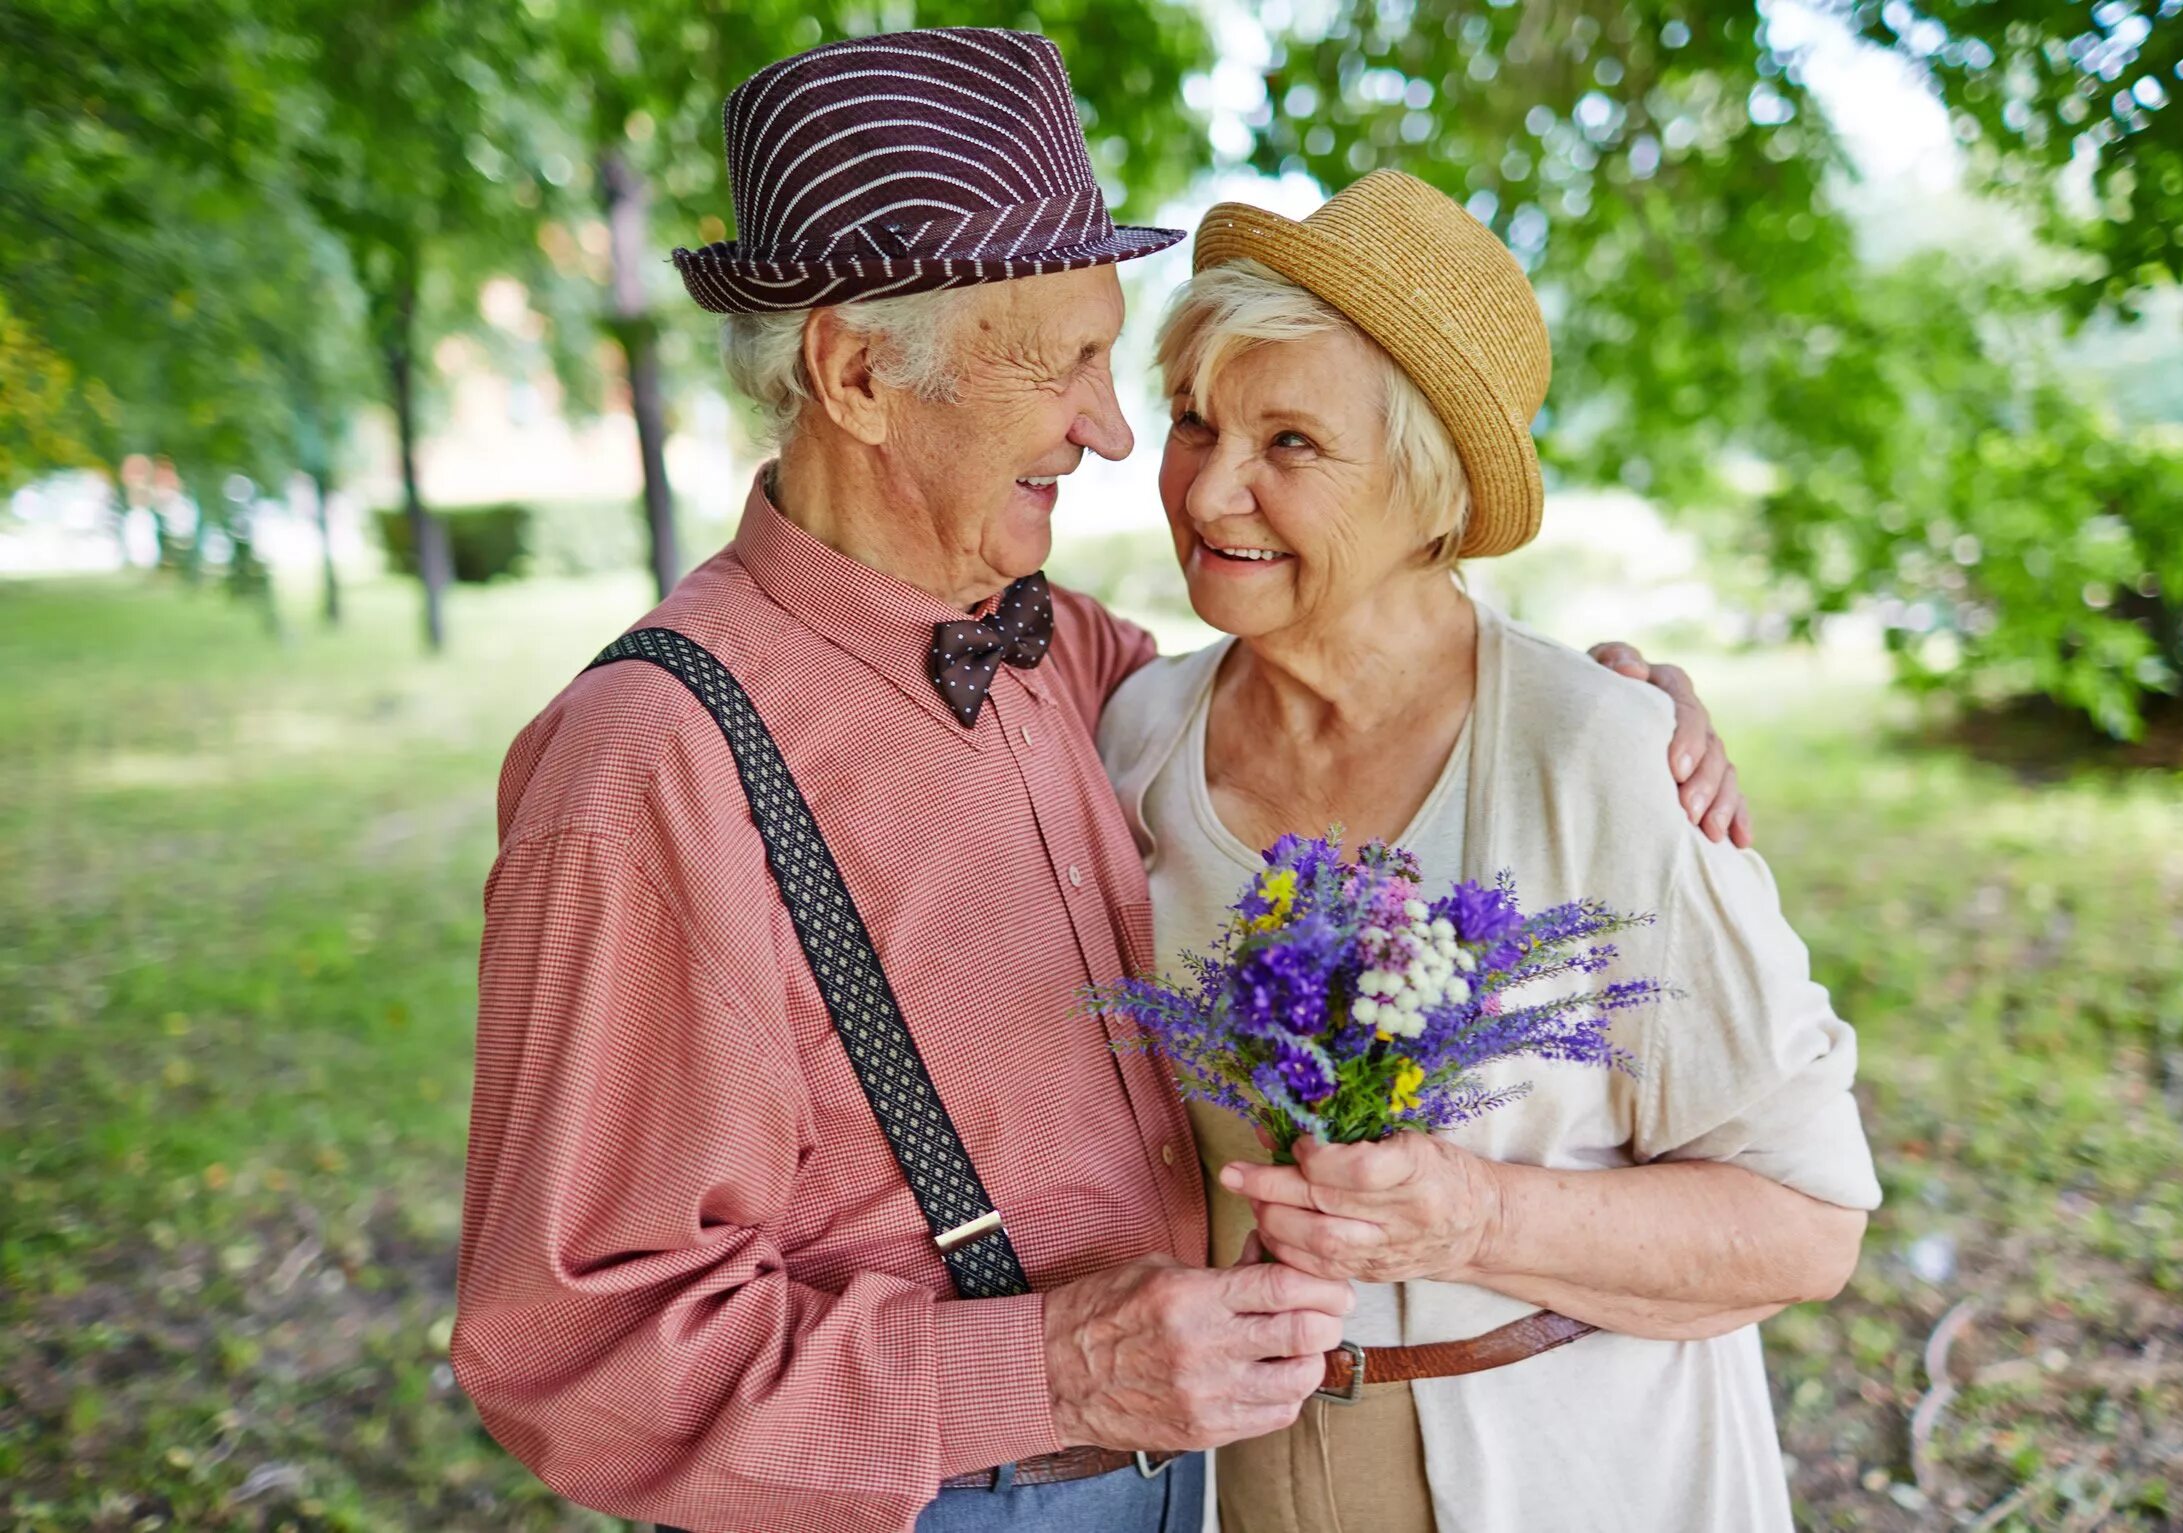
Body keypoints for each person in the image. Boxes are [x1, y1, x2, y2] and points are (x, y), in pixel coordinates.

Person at [453, 30, 1744, 1533]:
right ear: (859, 373)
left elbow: (1326, 692)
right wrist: (1058, 1368)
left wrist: (1616, 708)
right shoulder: (647, 766)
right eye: (1063, 361)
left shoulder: (1071, 656)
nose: (1118, 429)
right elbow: (578, 1356)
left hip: (1185, 1482)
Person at [1095, 171, 1880, 1533]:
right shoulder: (1138, 737)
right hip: (1238, 1483)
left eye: (1289, 443)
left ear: (1430, 494)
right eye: (1193, 420)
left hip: (1582, 1471)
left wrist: (1469, 1215)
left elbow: (1808, 1220)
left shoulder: (1595, 753)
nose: (1210, 485)